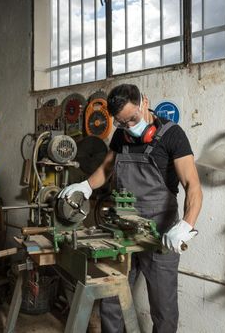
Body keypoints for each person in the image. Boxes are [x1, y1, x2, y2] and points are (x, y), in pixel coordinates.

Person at [59, 84, 203, 333]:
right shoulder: (120, 136)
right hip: (122, 231)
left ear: (144, 102)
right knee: (111, 301)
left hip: (160, 236)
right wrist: (85, 186)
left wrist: (187, 224)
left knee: (164, 310)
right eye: (122, 123)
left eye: (133, 119)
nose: (129, 127)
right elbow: (106, 169)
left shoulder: (172, 135)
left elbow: (193, 186)